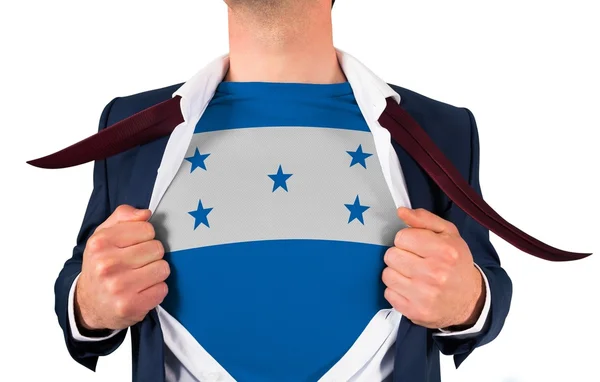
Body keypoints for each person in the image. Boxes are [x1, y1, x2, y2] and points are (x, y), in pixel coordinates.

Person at [52, 1, 512, 381]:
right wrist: (89, 303)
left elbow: (486, 281)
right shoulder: (130, 126)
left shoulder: (443, 130)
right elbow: (82, 279)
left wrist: (470, 300)